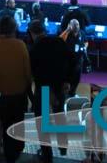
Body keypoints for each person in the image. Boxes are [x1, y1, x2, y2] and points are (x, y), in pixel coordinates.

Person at [0, 15, 31, 163]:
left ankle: (8, 154)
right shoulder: (21, 45)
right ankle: (16, 151)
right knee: (18, 122)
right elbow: (27, 73)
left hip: (1, 95)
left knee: (4, 125)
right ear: (14, 29)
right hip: (19, 95)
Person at [28, 19, 70, 162]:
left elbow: (34, 73)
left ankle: (47, 154)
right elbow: (71, 61)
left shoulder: (34, 48)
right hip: (59, 86)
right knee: (60, 116)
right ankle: (63, 146)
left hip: (44, 88)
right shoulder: (58, 41)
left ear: (31, 33)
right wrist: (67, 81)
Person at [59, 19, 85, 97]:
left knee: (77, 79)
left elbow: (86, 42)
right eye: (74, 25)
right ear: (70, 26)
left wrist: (85, 47)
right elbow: (59, 40)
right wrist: (67, 30)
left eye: (77, 24)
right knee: (66, 80)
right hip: (68, 60)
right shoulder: (66, 33)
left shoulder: (82, 33)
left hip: (78, 60)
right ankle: (63, 95)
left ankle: (72, 93)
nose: (76, 26)